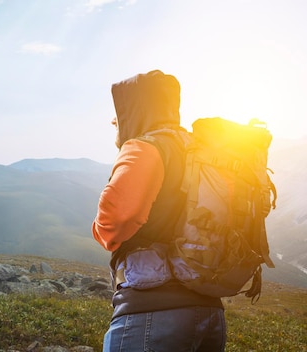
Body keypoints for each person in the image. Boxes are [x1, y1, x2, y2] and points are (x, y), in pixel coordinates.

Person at [92, 70, 226, 352]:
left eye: (120, 116)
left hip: (152, 313)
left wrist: (100, 228)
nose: (115, 124)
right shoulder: (197, 150)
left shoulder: (144, 147)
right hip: (209, 313)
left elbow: (115, 220)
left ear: (136, 112)